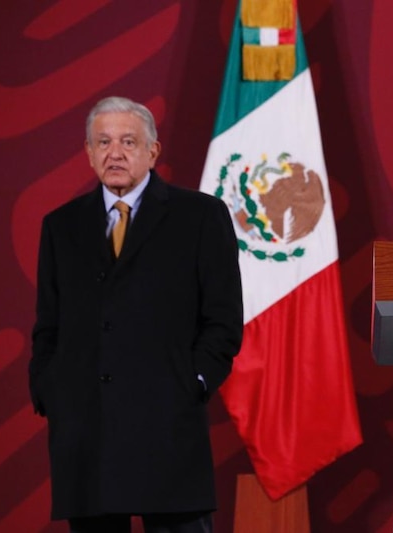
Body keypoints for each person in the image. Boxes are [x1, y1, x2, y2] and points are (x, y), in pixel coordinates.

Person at [29, 96, 243, 532]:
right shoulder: (61, 226)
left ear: (152, 151)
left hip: (168, 427)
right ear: (89, 153)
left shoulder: (200, 216)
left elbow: (223, 319)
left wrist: (194, 379)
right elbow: (48, 326)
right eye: (103, 142)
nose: (115, 153)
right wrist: (50, 388)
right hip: (86, 431)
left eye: (129, 141)